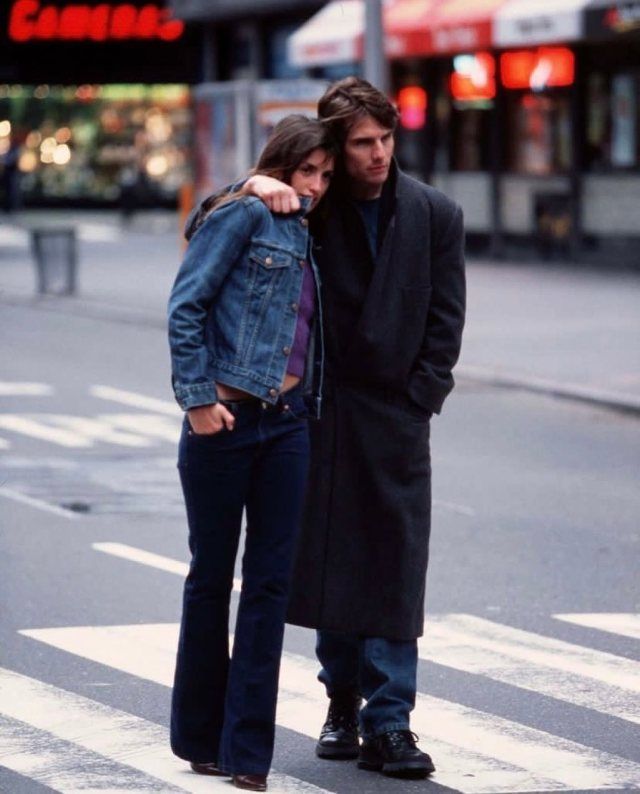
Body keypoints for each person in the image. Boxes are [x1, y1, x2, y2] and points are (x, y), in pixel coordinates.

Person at [241, 77, 466, 779]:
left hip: (396, 416)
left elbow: (447, 318)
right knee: (333, 562)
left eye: (385, 139)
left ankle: (391, 721)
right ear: (338, 145)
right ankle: (341, 700)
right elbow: (208, 229)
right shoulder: (313, 205)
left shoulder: (434, 213)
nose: (378, 153)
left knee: (394, 568)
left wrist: (420, 396)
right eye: (363, 143)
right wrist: (254, 186)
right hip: (324, 411)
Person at [167, 115, 335, 792]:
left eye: (326, 175)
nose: (317, 186)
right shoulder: (247, 214)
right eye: (307, 172)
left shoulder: (308, 228)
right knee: (212, 578)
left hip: (288, 423)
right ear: (282, 165)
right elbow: (186, 302)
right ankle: (200, 737)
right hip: (225, 419)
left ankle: (246, 754)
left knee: (268, 586)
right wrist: (198, 398)